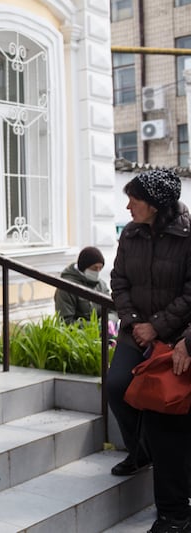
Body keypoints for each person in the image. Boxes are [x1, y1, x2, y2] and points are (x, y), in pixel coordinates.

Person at [107, 169, 191, 532]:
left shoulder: (187, 235)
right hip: (135, 331)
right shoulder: (130, 233)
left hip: (174, 337)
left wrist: (158, 326)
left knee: (166, 412)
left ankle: (173, 505)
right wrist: (136, 321)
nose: (127, 207)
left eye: (134, 200)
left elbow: (190, 292)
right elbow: (118, 280)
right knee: (116, 386)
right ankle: (140, 450)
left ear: (156, 205)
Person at [54, 246, 110, 324]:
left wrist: (109, 321)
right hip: (80, 334)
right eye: (94, 268)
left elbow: (111, 307)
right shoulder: (66, 287)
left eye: (100, 268)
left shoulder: (101, 285)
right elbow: (65, 320)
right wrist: (95, 326)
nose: (97, 272)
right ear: (84, 267)